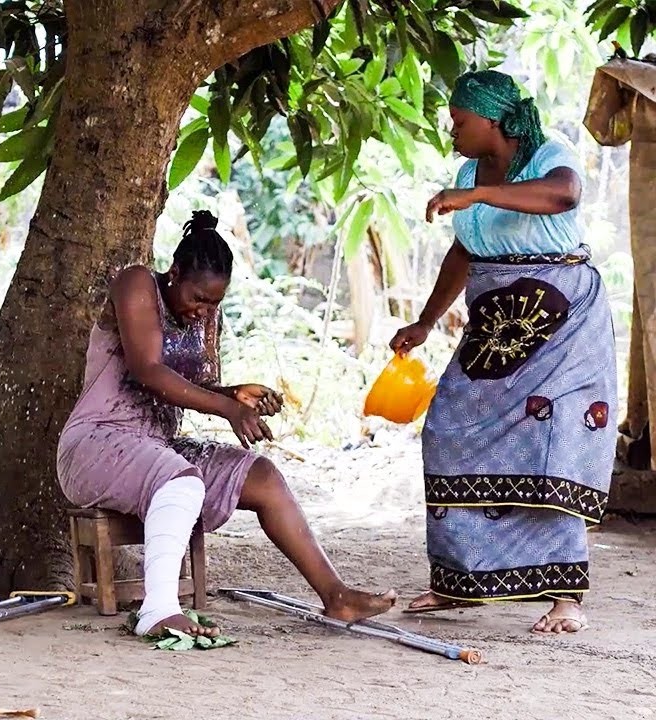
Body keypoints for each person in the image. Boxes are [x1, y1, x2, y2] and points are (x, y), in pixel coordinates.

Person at [57, 210, 397, 637]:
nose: (203, 311)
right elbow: (149, 370)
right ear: (174, 273)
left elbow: (193, 385)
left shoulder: (204, 316)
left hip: (156, 447)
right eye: (198, 298)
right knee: (181, 481)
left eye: (214, 303)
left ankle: (337, 596)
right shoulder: (137, 283)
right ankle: (158, 611)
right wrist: (228, 410)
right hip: (97, 443)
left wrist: (232, 393)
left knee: (264, 477)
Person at [391, 70, 616, 634]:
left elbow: (564, 194)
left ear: (491, 120)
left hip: (561, 320)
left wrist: (479, 194)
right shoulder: (469, 172)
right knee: (447, 431)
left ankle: (566, 597)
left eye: (459, 122)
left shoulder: (548, 153)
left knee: (552, 443)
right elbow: (465, 249)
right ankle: (460, 582)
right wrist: (424, 321)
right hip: (497, 322)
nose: (452, 133)